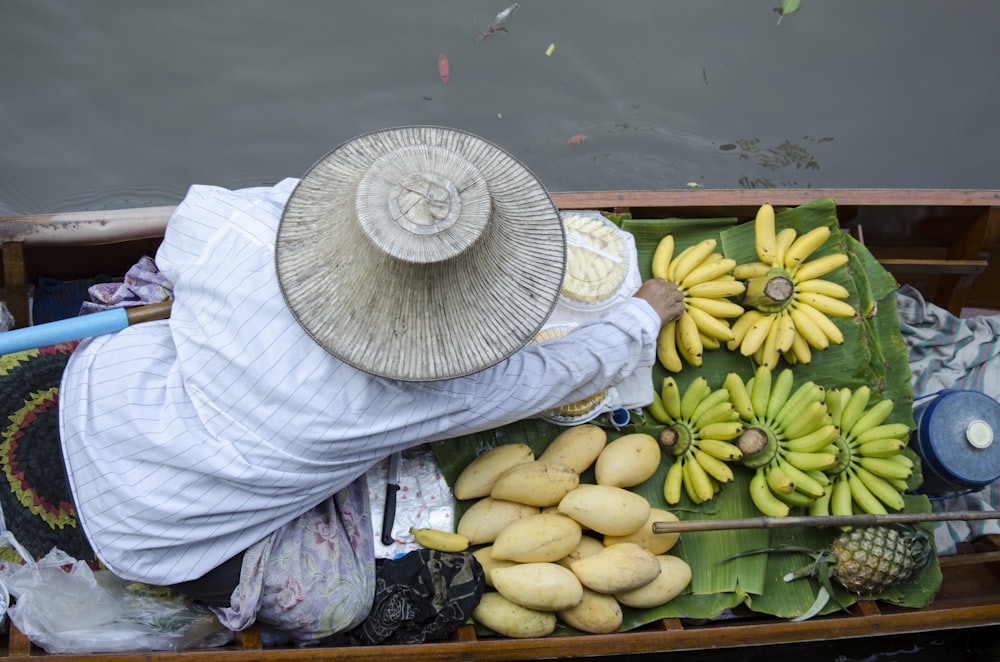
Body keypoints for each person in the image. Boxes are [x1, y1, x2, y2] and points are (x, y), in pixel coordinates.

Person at [20, 127, 684, 642]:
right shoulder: (413, 394)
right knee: (339, 602)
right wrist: (641, 316)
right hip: (146, 528)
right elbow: (548, 375)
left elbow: (217, 225)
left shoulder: (232, 225)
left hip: (102, 387)